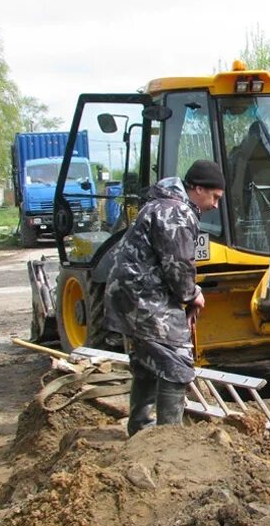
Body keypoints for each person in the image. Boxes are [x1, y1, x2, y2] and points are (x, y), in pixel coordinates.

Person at [105, 159, 225, 436]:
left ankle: (141, 429)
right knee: (178, 361)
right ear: (197, 188)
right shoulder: (177, 213)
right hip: (143, 297)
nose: (215, 205)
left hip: (130, 294)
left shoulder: (159, 205)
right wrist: (193, 294)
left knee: (149, 359)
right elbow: (179, 264)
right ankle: (168, 439)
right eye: (214, 197)